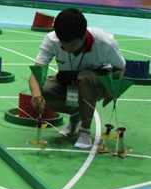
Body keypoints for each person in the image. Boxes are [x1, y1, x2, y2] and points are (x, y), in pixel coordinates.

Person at [28, 8, 126, 149]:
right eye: (64, 44)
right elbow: (36, 72)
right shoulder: (51, 39)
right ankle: (77, 113)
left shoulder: (105, 42)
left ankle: (85, 131)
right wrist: (36, 94)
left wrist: (113, 87)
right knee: (44, 93)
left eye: (73, 45)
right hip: (67, 79)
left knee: (85, 78)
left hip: (95, 81)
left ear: (84, 34)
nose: (68, 48)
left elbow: (120, 67)